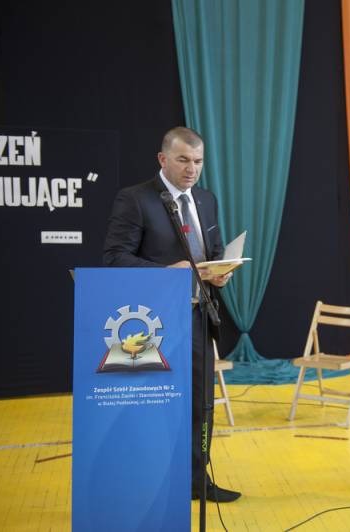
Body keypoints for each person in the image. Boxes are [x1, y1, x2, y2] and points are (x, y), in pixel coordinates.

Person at [103, 126, 241, 503]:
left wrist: (220, 271)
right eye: (183, 160)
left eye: (198, 161)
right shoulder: (135, 199)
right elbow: (114, 258)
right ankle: (148, 486)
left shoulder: (206, 199)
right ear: (163, 159)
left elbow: (212, 251)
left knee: (201, 405)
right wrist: (164, 273)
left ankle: (197, 481)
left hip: (198, 317)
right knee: (151, 408)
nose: (191, 168)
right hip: (151, 324)